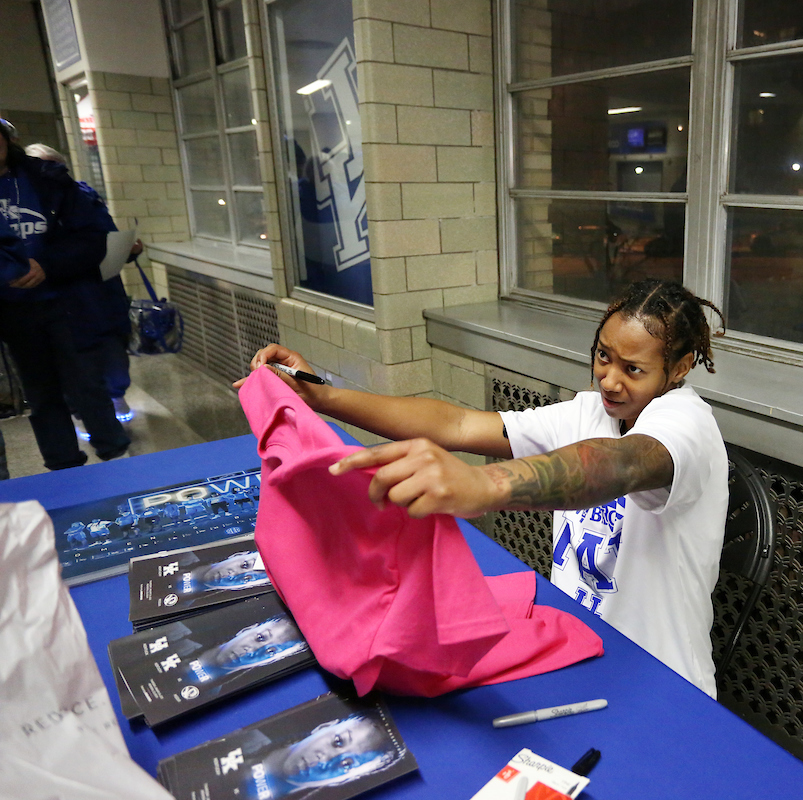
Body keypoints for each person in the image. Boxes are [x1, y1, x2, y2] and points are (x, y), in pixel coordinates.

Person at [237, 278, 730, 696]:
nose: (609, 380)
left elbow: (621, 465)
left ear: (680, 367)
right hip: (581, 651)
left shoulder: (687, 424)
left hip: (662, 679)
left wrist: (481, 483)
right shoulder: (588, 412)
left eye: (633, 369)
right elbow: (457, 425)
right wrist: (323, 397)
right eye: (604, 356)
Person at [0, 118, 129, 468]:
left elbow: (95, 239)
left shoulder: (48, 179)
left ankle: (119, 460)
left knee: (87, 386)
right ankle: (63, 470)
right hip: (13, 312)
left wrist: (47, 265)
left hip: (66, 303)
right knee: (41, 396)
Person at [25, 142, 135, 422]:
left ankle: (114, 400)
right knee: (77, 365)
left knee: (114, 358)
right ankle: (89, 413)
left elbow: (104, 238)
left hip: (103, 294)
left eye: (55, 168)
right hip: (62, 300)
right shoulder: (28, 206)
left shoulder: (84, 197)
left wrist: (128, 249)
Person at [246, 713, 401, 796]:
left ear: (345, 780)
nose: (327, 759)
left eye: (347, 764)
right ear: (324, 727)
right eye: (338, 742)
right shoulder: (243, 735)